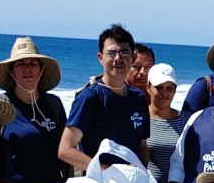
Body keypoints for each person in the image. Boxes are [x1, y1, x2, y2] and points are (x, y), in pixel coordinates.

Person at [61, 24, 150, 172]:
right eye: (111, 53)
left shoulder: (139, 98)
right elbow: (65, 149)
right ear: (100, 58)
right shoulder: (90, 97)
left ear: (132, 57)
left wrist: (141, 174)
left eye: (124, 52)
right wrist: (107, 172)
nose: (118, 58)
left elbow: (142, 145)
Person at [0, 37, 68, 183]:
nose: (28, 69)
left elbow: (66, 152)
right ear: (12, 71)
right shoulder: (1, 106)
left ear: (41, 70)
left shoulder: (54, 104)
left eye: (33, 64)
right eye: (21, 64)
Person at [145, 63, 188, 183]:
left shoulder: (186, 120)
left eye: (170, 88)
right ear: (148, 88)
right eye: (159, 87)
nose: (165, 92)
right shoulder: (140, 118)